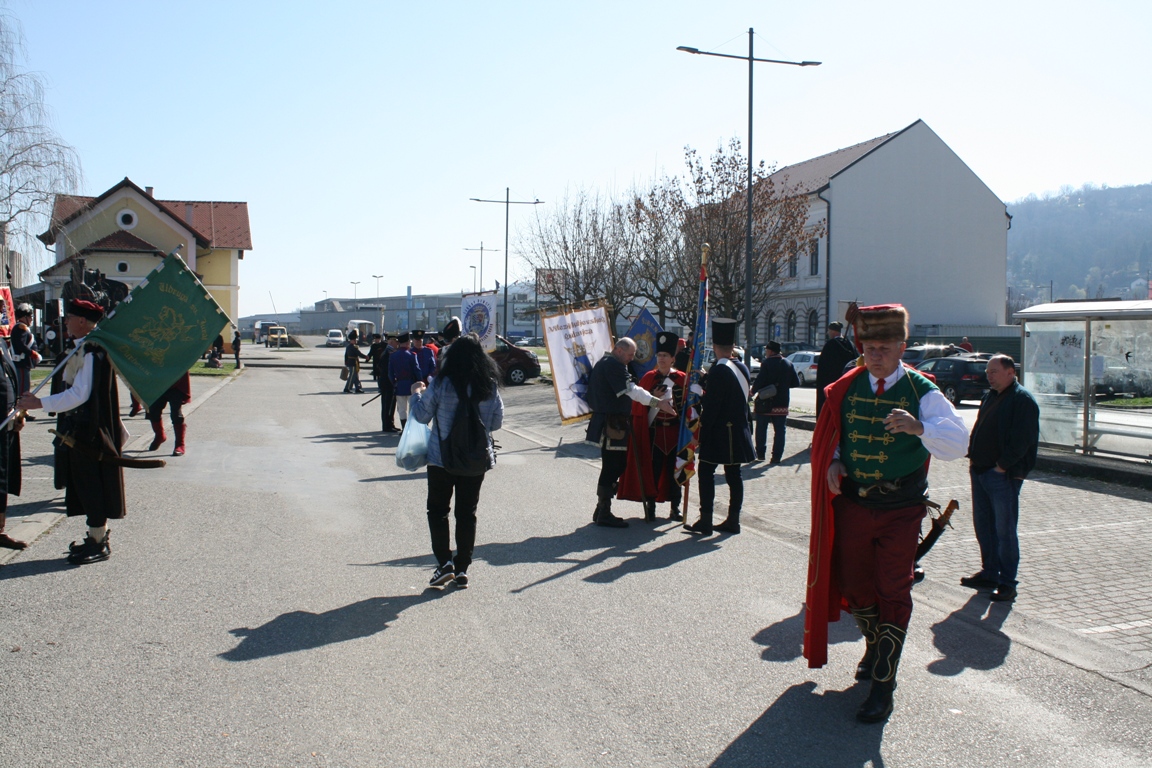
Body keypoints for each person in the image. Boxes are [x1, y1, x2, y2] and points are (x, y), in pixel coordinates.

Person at [804, 303, 968, 724]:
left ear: (901, 347)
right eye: (870, 347)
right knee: (857, 587)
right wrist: (834, 462)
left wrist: (920, 427)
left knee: (894, 590)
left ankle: (883, 684)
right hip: (856, 505)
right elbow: (835, 439)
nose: (875, 355)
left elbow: (958, 442)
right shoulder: (846, 387)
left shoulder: (922, 390)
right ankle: (875, 646)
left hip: (901, 508)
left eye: (885, 347)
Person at [18, 299, 126, 565]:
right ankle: (95, 537)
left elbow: (80, 394)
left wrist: (40, 403)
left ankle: (99, 543)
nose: (65, 322)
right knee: (83, 485)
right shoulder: (81, 347)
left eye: (69, 318)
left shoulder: (92, 351)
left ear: (82, 321)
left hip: (89, 432)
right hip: (79, 429)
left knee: (92, 486)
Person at [409, 333, 504, 588]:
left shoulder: (442, 383)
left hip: (441, 458)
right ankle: (462, 568)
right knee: (467, 514)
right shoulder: (489, 384)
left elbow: (421, 416)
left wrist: (416, 393)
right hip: (475, 460)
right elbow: (496, 422)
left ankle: (444, 564)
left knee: (438, 511)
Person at [962, 354, 1039, 603]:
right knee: (984, 526)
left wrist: (1002, 467)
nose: (989, 376)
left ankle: (1007, 583)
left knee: (1004, 531)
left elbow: (1023, 440)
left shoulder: (1022, 400)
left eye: (994, 372)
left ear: (1010, 372)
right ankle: (989, 573)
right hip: (980, 470)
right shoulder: (990, 396)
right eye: (987, 372)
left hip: (1001, 476)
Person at [586, 338, 676, 528]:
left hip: (613, 422)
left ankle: (601, 509)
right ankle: (603, 511)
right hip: (612, 423)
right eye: (630, 354)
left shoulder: (610, 363)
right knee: (613, 466)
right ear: (619, 350)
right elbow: (632, 391)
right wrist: (657, 402)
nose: (632, 358)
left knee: (615, 465)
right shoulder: (612, 365)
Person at [686, 318, 755, 535]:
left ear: (715, 346)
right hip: (738, 430)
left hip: (719, 432)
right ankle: (733, 520)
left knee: (706, 472)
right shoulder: (741, 367)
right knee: (734, 476)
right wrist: (707, 379)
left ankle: (706, 520)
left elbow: (713, 406)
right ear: (732, 346)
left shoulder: (718, 370)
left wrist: (700, 396)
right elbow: (731, 391)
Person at [617, 331, 686, 522]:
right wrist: (653, 396)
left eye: (665, 356)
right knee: (653, 470)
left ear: (673, 358)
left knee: (676, 471)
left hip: (675, 433)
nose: (661, 359)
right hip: (654, 433)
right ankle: (651, 505)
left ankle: (675, 507)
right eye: (659, 355)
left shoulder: (682, 378)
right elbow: (638, 406)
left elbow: (688, 407)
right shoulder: (648, 378)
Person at [750, 340, 795, 464]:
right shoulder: (788, 363)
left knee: (761, 428)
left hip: (766, 402)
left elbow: (760, 380)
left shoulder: (767, 363)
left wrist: (753, 391)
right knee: (780, 431)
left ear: (770, 351)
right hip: (782, 402)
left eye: (766, 350)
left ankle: (760, 454)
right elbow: (795, 382)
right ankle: (776, 457)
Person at [0, 341, 26, 549]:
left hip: (6, 424)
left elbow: (9, 377)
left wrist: (18, 412)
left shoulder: (2, 343)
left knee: (3, 479)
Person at [816, 321, 857, 417]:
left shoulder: (830, 345)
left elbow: (823, 368)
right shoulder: (850, 344)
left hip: (831, 385)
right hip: (846, 384)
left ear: (833, 331)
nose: (828, 333)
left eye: (829, 331)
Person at [146, 372, 192, 456]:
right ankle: (160, 435)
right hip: (158, 381)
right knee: (153, 412)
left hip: (176, 382)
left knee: (176, 415)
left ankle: (180, 444)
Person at [10, 304, 41, 421]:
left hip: (24, 363)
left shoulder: (22, 328)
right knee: (23, 389)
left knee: (24, 388)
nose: (31, 319)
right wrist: (33, 354)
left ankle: (23, 411)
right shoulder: (20, 328)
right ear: (24, 317)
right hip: (22, 363)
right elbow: (21, 345)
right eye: (30, 316)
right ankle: (21, 413)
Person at [388, 332, 420, 428]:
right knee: (412, 408)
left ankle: (404, 428)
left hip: (399, 385)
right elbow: (417, 371)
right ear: (407, 343)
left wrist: (394, 383)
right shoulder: (412, 355)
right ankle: (410, 429)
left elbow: (390, 373)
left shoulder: (393, 356)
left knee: (401, 409)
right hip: (411, 385)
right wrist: (419, 382)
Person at [375, 334, 399, 433]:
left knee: (390, 405)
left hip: (387, 382)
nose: (397, 344)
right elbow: (385, 369)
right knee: (387, 405)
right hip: (387, 383)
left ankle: (390, 423)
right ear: (391, 342)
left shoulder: (388, 352)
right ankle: (387, 425)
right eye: (396, 342)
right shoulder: (388, 353)